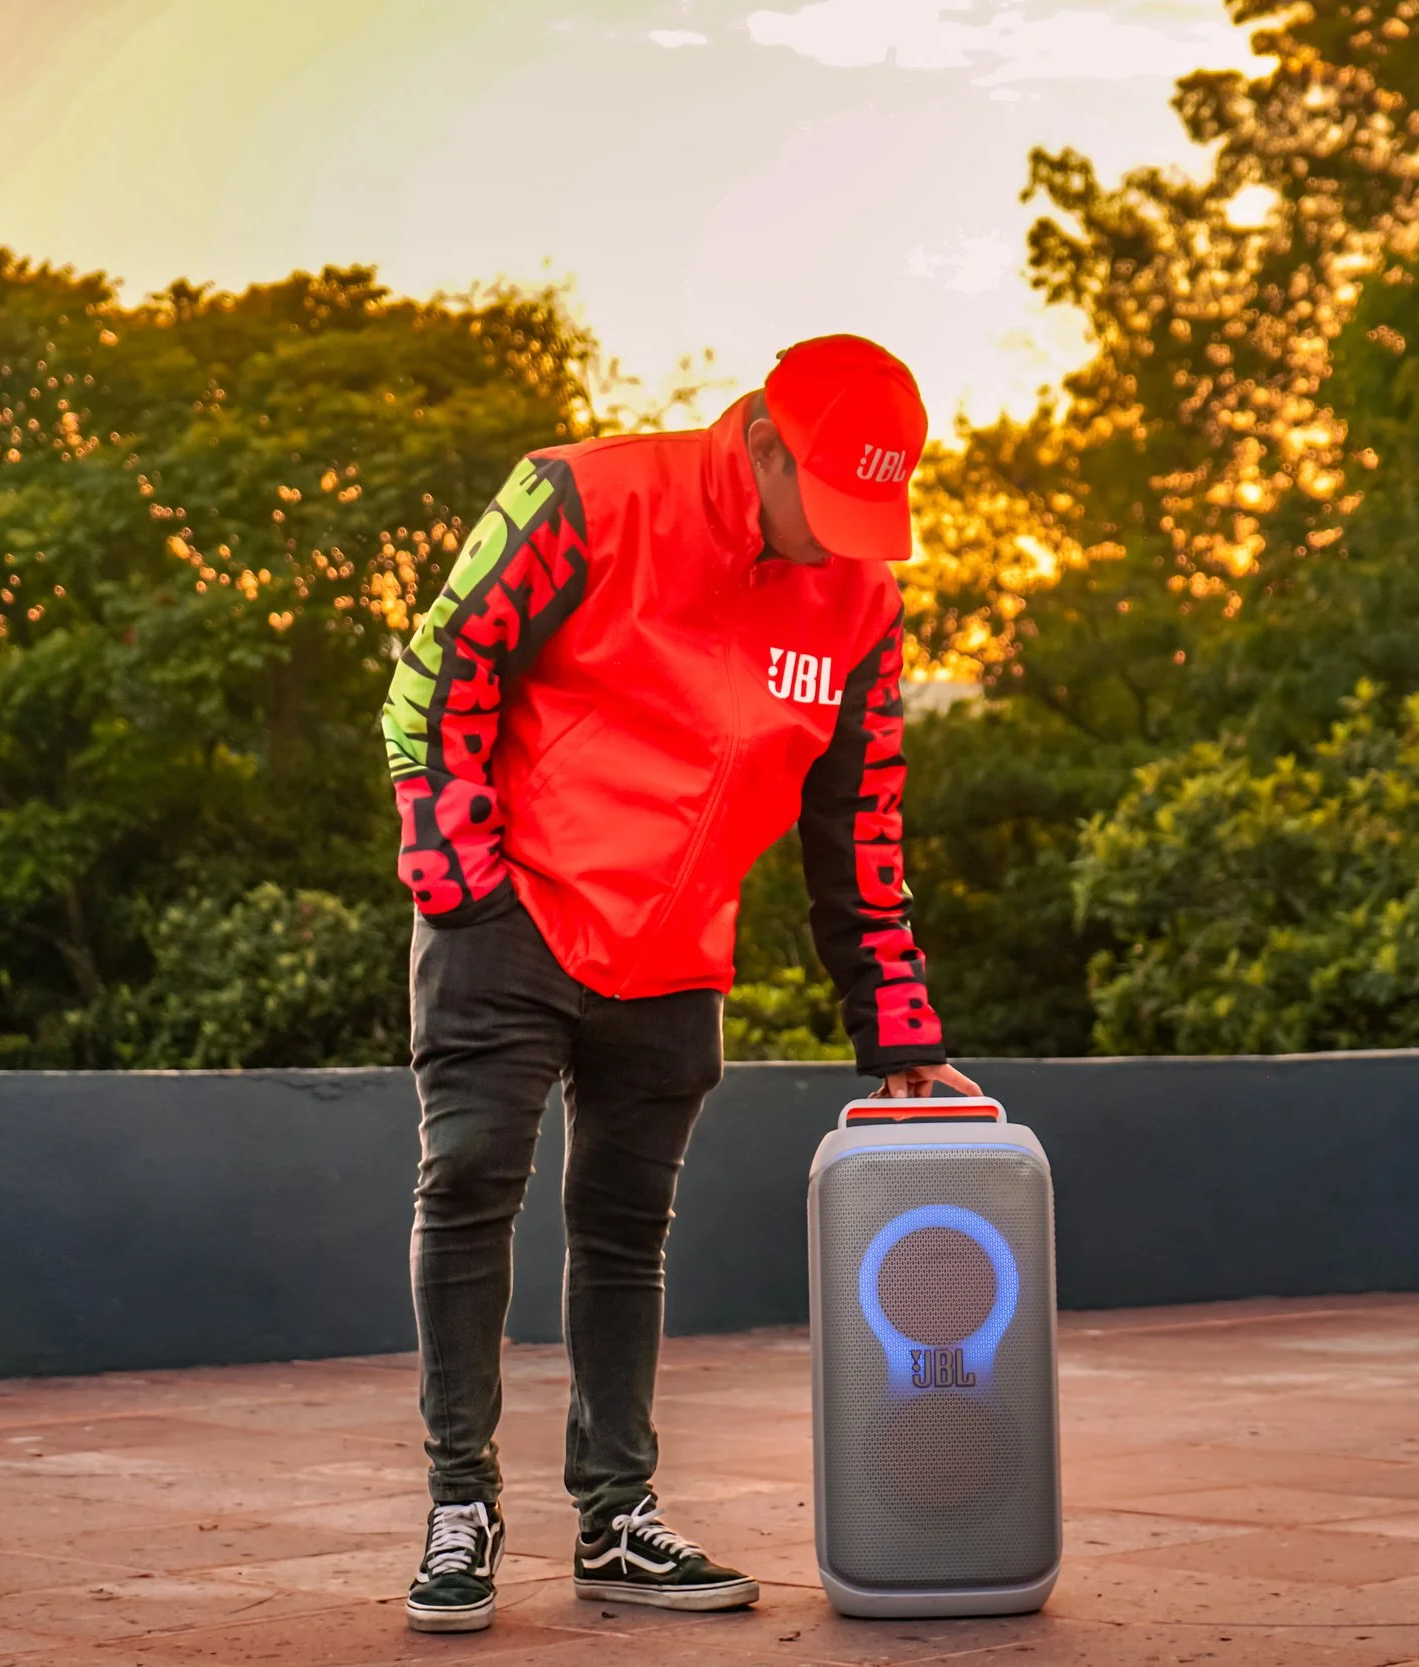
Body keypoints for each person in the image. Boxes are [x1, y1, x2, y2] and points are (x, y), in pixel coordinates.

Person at [379, 333, 982, 1634]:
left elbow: (859, 821)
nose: (840, 543)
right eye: (824, 503)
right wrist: (461, 882)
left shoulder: (862, 603)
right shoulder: (585, 498)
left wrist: (898, 1028)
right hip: (513, 910)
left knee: (623, 1230)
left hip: (676, 945)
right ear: (762, 440)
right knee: (473, 1181)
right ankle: (459, 1507)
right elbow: (440, 668)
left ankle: (614, 1518)